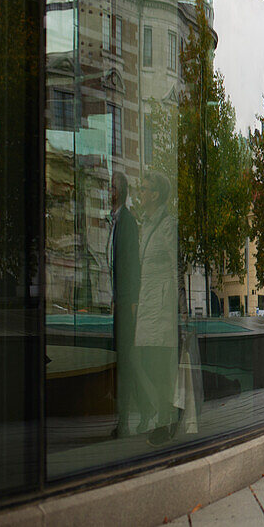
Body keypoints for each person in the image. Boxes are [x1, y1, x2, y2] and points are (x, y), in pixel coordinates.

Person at [134, 171, 180, 446]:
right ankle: (164, 412)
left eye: (144, 188)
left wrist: (177, 306)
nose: (140, 193)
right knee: (147, 360)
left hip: (161, 305)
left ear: (156, 194)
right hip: (148, 301)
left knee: (158, 363)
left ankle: (165, 419)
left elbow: (176, 267)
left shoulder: (166, 224)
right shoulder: (147, 224)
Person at [108, 170, 140, 436]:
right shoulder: (117, 221)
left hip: (126, 306)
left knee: (128, 361)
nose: (108, 191)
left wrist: (128, 302)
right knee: (126, 360)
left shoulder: (126, 222)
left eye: (111, 187)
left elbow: (131, 265)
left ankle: (128, 418)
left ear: (119, 191)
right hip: (121, 303)